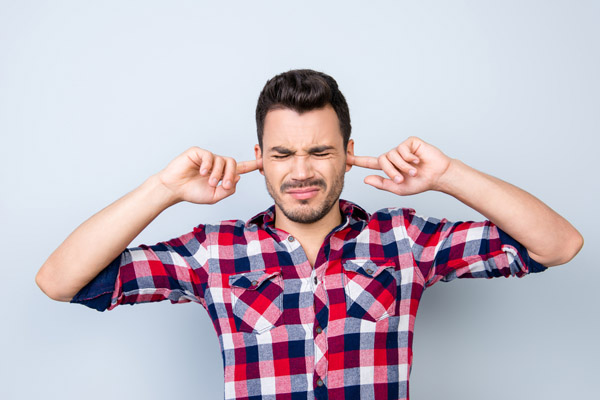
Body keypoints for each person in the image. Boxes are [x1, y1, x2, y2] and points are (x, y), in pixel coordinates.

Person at [36, 69, 583, 400]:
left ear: (347, 151)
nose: (301, 171)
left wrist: (448, 175)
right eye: (283, 153)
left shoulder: (406, 241)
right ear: (260, 160)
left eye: (320, 151)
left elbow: (558, 244)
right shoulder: (213, 253)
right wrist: (162, 188)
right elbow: (60, 281)